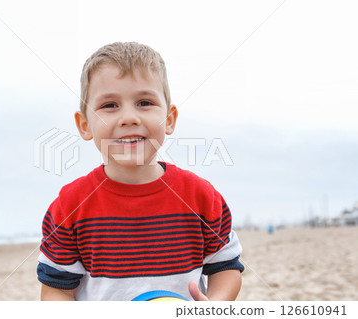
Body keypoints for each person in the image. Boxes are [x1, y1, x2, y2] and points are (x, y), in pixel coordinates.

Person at [37, 42, 244, 301]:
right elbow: (57, 289)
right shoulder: (70, 206)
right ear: (85, 124)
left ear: (169, 119)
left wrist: (214, 304)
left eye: (144, 102)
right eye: (110, 105)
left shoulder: (200, 197)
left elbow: (226, 267)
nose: (129, 117)